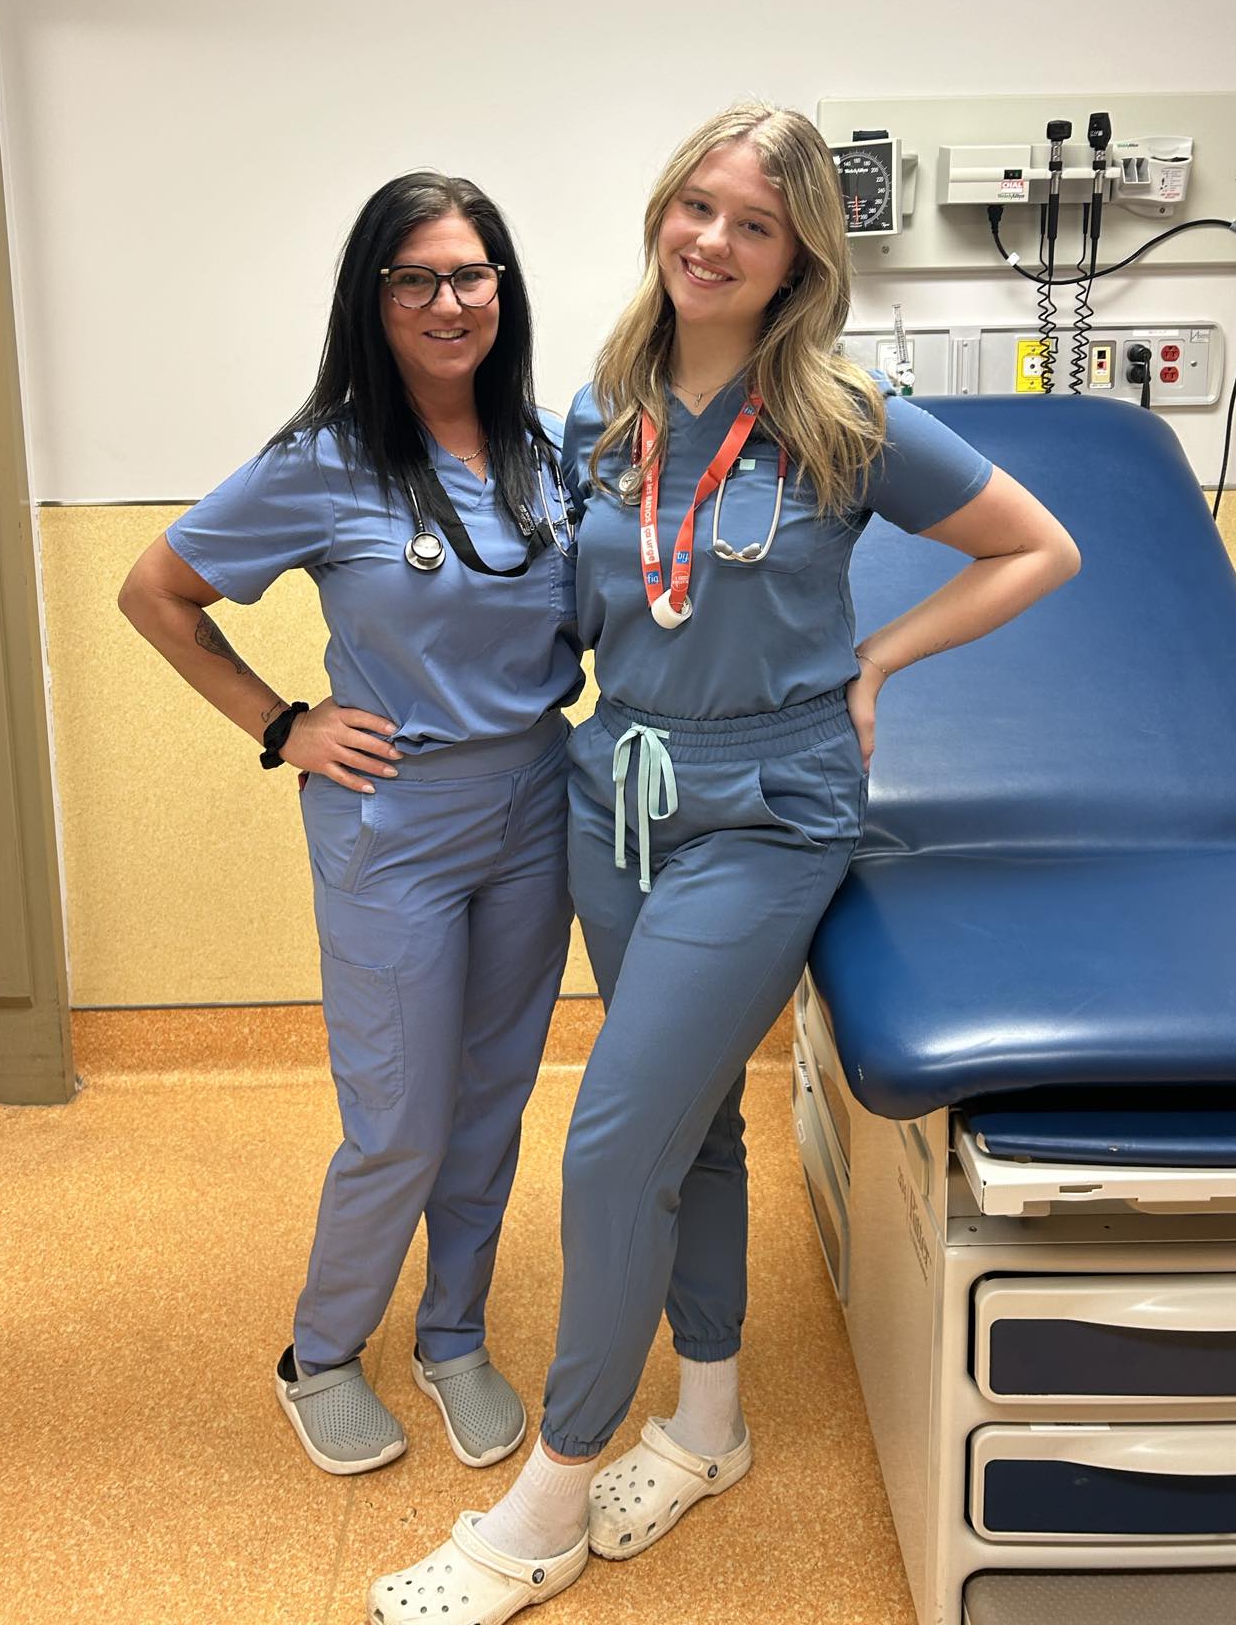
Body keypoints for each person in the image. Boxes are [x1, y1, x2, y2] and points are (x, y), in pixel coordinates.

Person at [368, 104, 1080, 1622]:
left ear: (798, 256)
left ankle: (544, 1505)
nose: (711, 240)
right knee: (689, 1130)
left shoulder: (842, 411)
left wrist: (876, 658)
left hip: (772, 804)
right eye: (697, 205)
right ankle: (708, 1425)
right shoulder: (597, 409)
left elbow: (1036, 548)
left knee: (613, 1140)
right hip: (617, 793)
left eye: (753, 224)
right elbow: (579, 606)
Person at [118, 173, 582, 1480]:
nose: (449, 301)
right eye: (416, 278)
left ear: (505, 288)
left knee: (491, 1102)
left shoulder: (552, 454)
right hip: (396, 818)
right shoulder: (321, 463)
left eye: (472, 274)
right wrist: (283, 725)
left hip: (535, 803)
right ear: (372, 298)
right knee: (402, 1117)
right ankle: (319, 1352)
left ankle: (453, 1334)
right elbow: (155, 594)